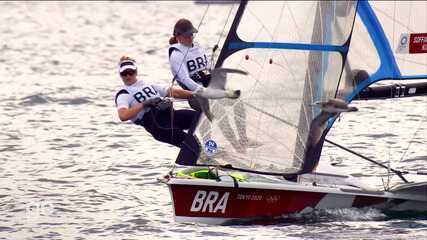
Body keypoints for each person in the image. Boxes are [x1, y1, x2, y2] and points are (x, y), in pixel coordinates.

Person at [168, 18, 258, 153]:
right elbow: (185, 79)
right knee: (218, 111)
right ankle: (236, 147)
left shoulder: (197, 47)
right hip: (195, 94)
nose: (190, 37)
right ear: (178, 36)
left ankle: (243, 139)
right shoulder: (176, 55)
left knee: (238, 103)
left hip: (209, 88)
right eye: (187, 35)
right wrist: (203, 91)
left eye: (192, 34)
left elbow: (208, 69)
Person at [115, 56, 198, 148]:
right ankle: (200, 155)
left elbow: (174, 92)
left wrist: (198, 94)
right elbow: (123, 116)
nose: (128, 76)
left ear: (136, 72)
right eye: (124, 73)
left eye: (131, 72)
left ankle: (213, 144)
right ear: (120, 75)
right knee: (191, 143)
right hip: (158, 126)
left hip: (171, 116)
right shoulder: (123, 94)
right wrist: (144, 104)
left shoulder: (148, 85)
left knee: (201, 118)